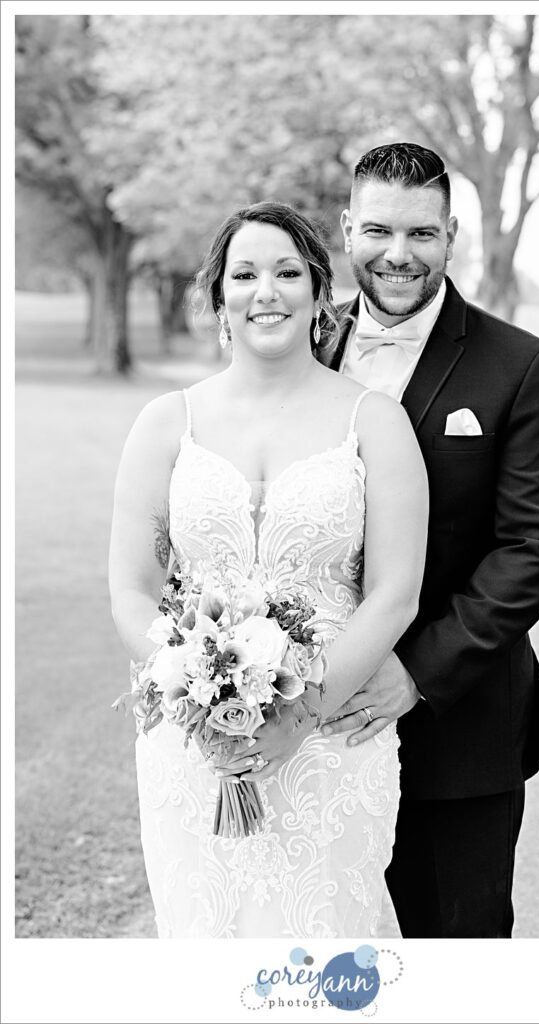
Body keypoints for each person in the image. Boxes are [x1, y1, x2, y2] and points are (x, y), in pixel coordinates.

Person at [108, 201, 428, 938]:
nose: (267, 291)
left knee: (320, 962)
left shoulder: (374, 422)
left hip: (331, 742)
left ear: (319, 293)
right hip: (191, 751)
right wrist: (192, 687)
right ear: (218, 295)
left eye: (288, 273)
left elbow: (394, 593)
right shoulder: (165, 424)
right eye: (245, 274)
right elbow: (130, 589)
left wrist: (299, 713)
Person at [322, 142, 539, 938]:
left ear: (451, 234)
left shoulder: (520, 365)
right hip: (315, 729)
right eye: (377, 231)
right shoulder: (301, 343)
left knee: (455, 961)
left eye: (421, 235)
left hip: (455, 728)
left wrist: (416, 675)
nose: (397, 255)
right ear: (345, 229)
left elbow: (534, 547)